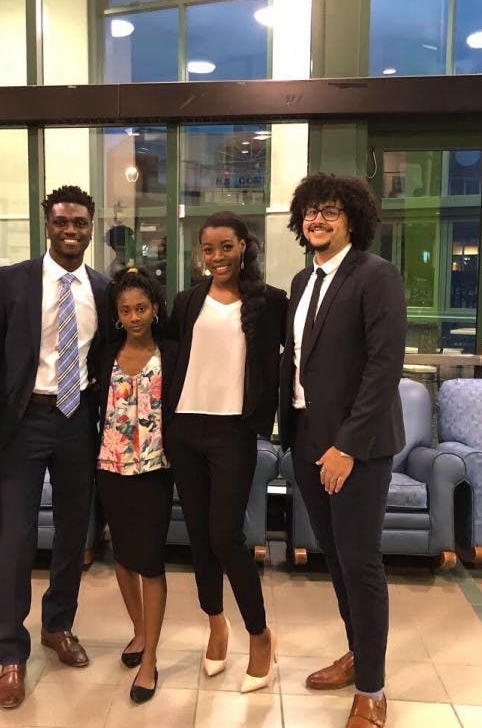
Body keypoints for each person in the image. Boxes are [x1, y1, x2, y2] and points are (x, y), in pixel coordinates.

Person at [278, 173, 406, 728]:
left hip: (357, 448)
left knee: (361, 563)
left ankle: (373, 689)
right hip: (307, 439)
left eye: (330, 211)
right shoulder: (302, 281)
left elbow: (383, 369)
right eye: (309, 211)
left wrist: (347, 447)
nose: (318, 220)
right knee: (335, 558)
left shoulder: (376, 277)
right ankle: (358, 653)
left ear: (352, 219)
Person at [0, 185, 111, 709]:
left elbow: (104, 355)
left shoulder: (103, 288)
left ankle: (58, 625)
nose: (70, 231)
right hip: (25, 419)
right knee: (14, 536)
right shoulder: (11, 281)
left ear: (91, 226)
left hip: (78, 418)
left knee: (72, 531)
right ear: (47, 224)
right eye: (61, 222)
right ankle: (11, 651)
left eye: (79, 223)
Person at [163, 211, 287, 694]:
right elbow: (171, 361)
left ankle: (259, 633)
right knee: (198, 536)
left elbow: (287, 363)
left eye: (226, 247)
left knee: (226, 537)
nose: (217, 257)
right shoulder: (187, 300)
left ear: (244, 246)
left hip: (233, 433)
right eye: (208, 249)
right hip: (185, 430)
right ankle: (215, 625)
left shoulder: (271, 302)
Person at [94, 267, 177, 704]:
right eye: (125, 310)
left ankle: (150, 660)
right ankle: (139, 632)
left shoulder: (173, 353)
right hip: (110, 467)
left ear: (155, 308)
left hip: (155, 471)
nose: (134, 316)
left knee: (150, 562)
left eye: (141, 308)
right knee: (123, 559)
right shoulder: (105, 354)